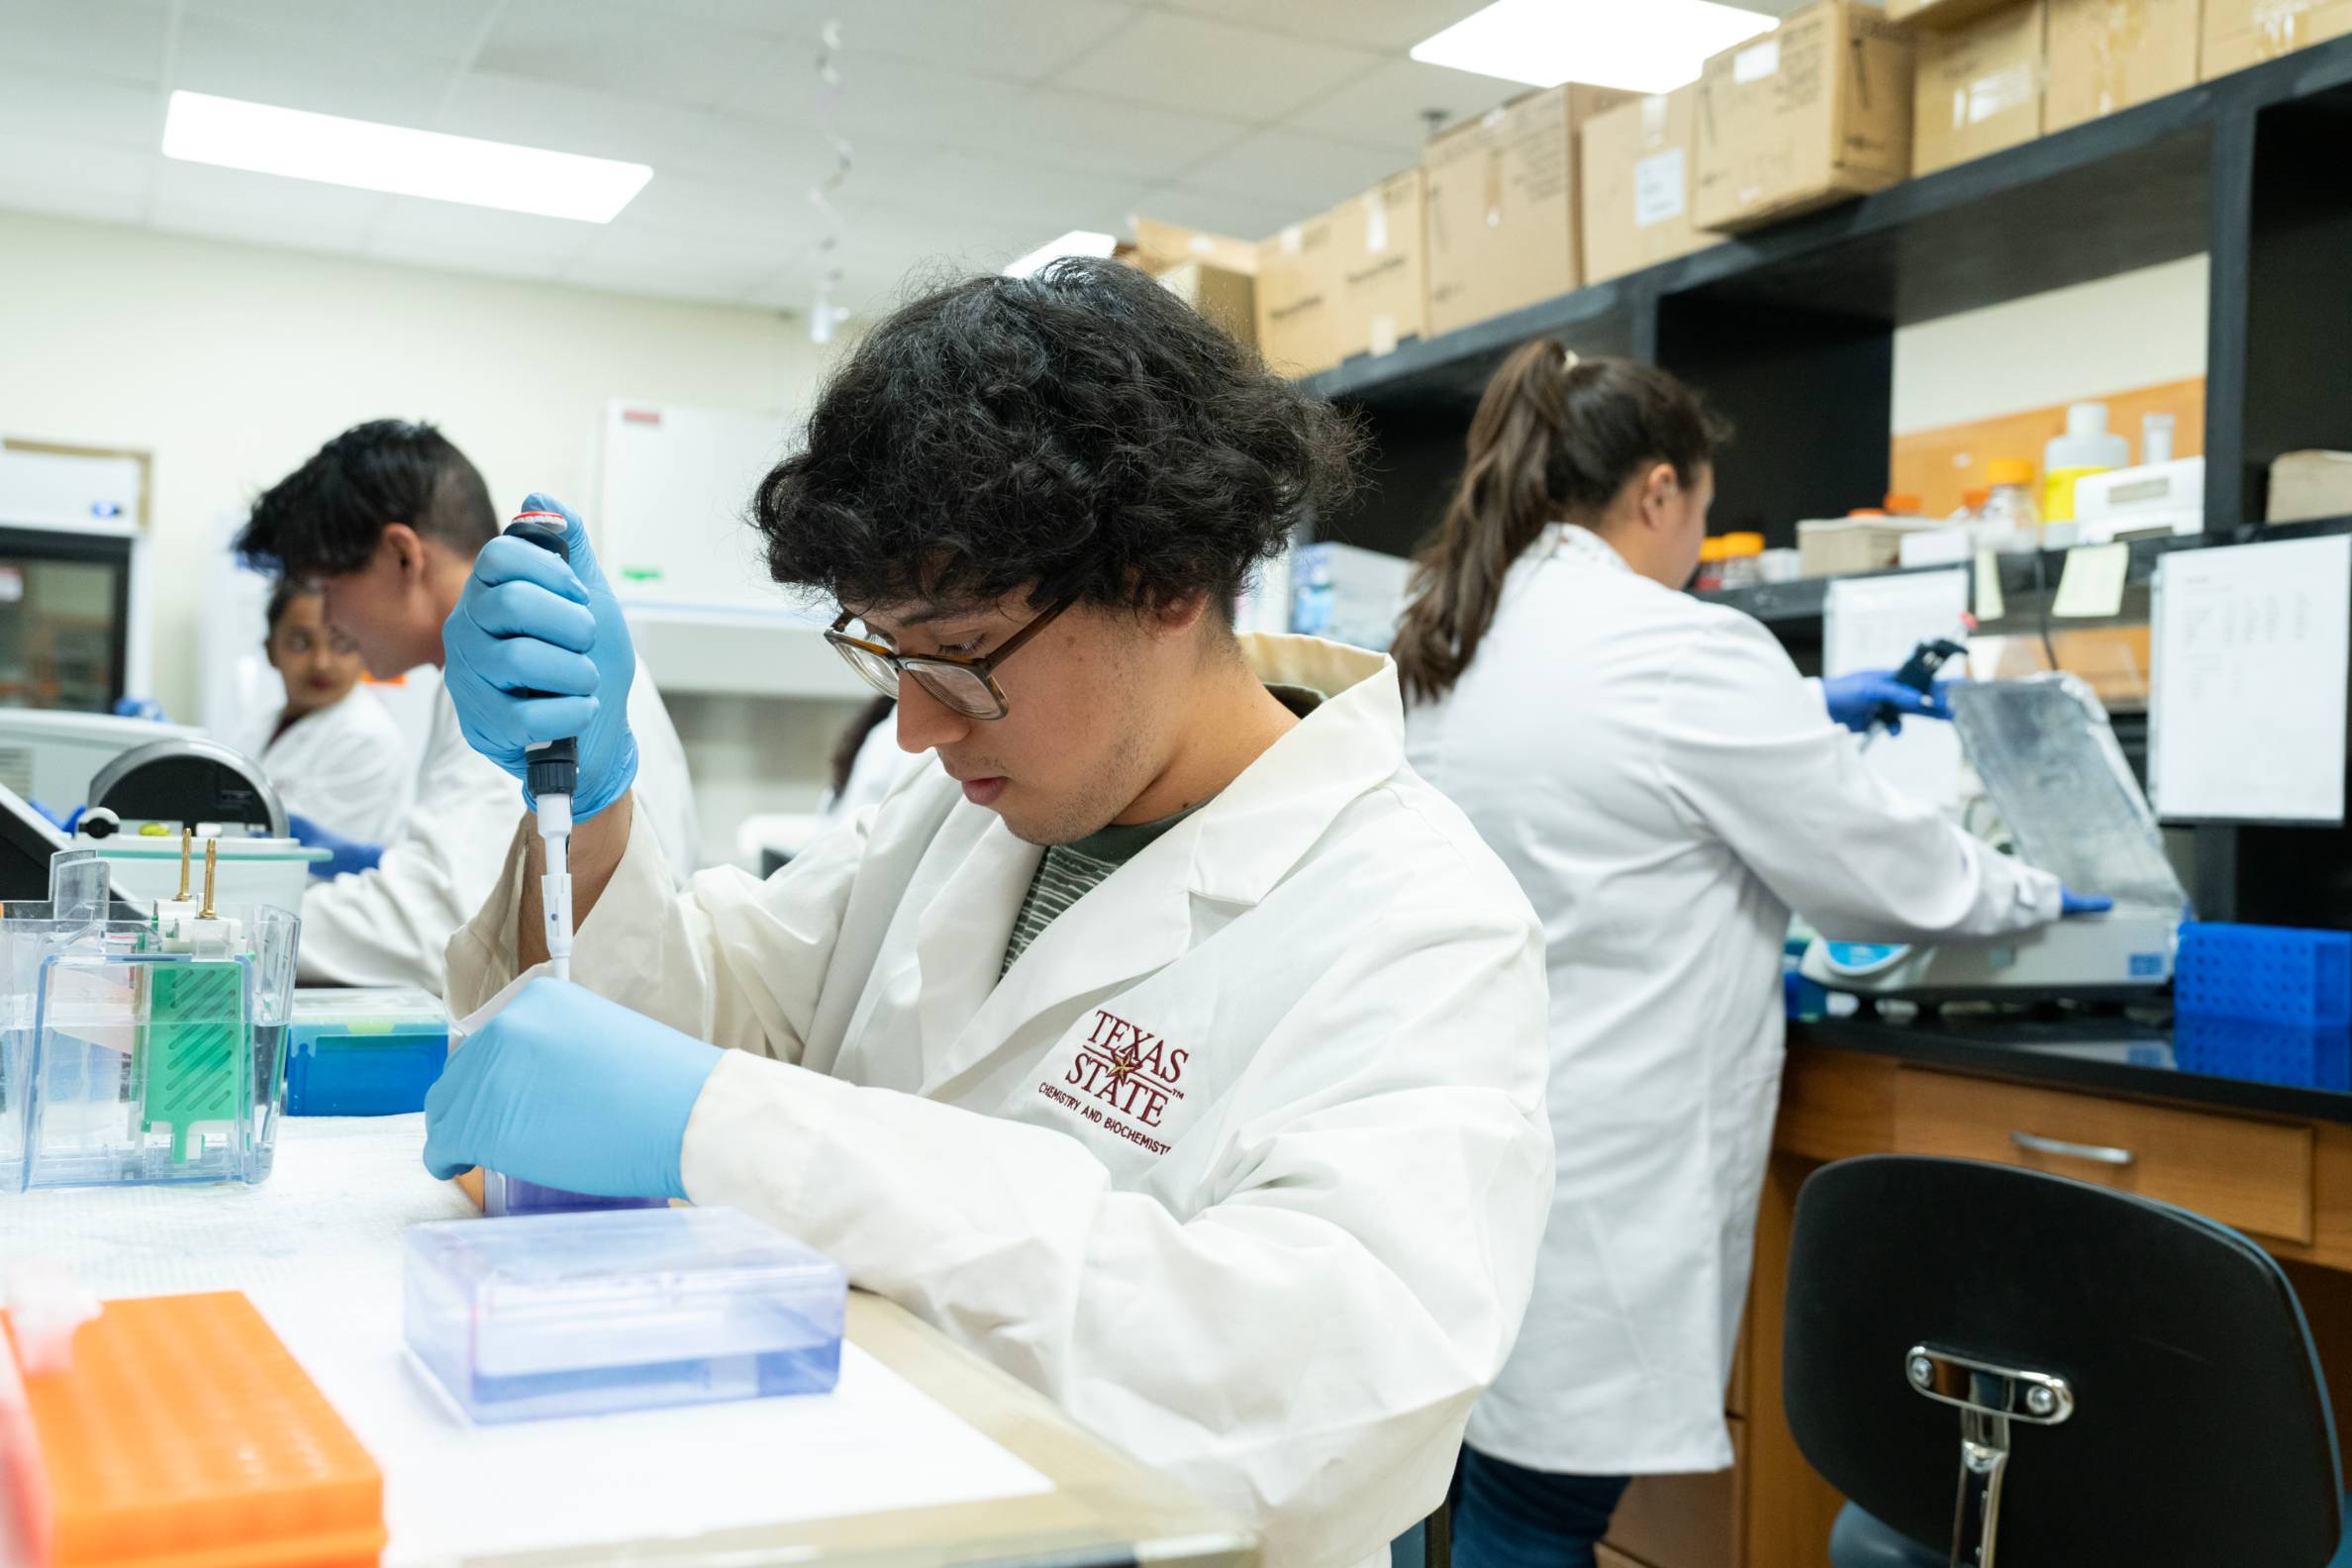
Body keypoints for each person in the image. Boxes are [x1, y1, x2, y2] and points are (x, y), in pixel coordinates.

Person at [418, 259, 1555, 1567]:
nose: (911, 724)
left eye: (955, 656)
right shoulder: (957, 810)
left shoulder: (1419, 920)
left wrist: (748, 1136)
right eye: (885, 651)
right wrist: (599, 799)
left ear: (1168, 580)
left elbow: (1321, 1405)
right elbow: (732, 1016)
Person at [1391, 343, 2107, 1568]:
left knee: (1450, 1500)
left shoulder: (1459, 631)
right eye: (1704, 522)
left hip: (1451, 1155)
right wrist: (2051, 890)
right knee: (1534, 1520)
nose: (1698, 554)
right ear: (1659, 492)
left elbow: (1599, 761)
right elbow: (1880, 874)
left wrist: (1801, 705)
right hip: (1598, 1176)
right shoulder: (1680, 651)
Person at [234, 420, 699, 992]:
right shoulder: (492, 667)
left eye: (327, 586)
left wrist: (225, 930)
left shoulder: (517, 667)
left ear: (402, 556)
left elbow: (435, 924)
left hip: (605, 1015)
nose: (328, 619)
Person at [240, 578, 411, 853]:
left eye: (341, 643)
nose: (321, 662)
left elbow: (316, 864)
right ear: (271, 651)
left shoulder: (366, 737)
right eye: (300, 643)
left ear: (363, 650)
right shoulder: (260, 727)